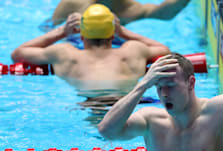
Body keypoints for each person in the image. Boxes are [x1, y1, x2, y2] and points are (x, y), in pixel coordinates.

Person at [11, 4, 170, 104]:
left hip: (89, 104)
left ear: (81, 36)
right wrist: (125, 32)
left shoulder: (64, 54)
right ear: (113, 35)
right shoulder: (133, 51)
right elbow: (164, 50)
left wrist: (60, 32)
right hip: (130, 103)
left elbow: (18, 53)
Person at [39, 0, 191, 31]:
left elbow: (164, 13)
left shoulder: (130, 9)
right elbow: (47, 28)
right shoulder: (71, 5)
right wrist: (63, 31)